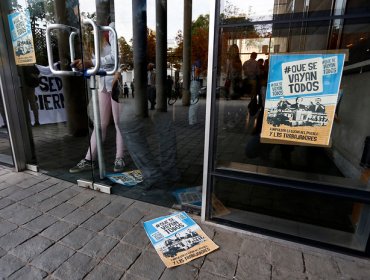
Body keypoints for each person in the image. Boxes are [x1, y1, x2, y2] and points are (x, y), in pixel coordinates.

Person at [69, 21, 126, 173]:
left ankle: (119, 157)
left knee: (119, 123)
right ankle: (89, 159)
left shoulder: (113, 27)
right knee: (100, 124)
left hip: (117, 81)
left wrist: (90, 62)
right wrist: (86, 65)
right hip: (103, 84)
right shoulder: (95, 35)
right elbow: (100, 63)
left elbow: (117, 58)